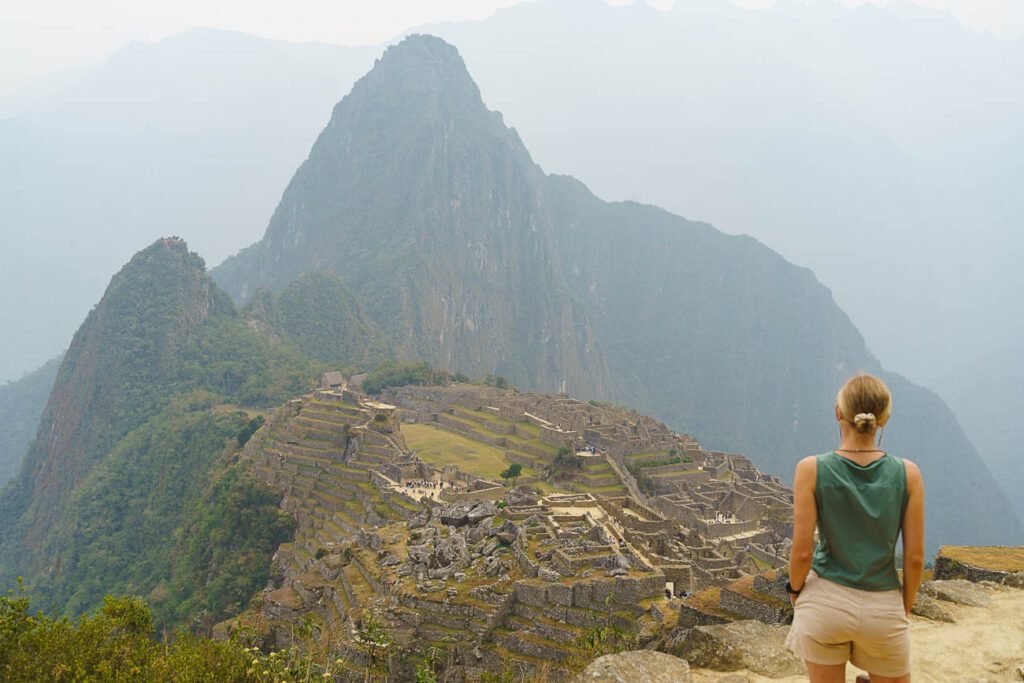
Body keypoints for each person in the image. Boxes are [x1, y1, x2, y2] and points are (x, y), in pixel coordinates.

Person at [785, 374, 925, 682]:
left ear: (838, 413)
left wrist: (795, 591)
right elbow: (914, 558)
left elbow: (802, 551)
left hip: (824, 605)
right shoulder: (909, 474)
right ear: (884, 419)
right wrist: (903, 608)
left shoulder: (811, 469)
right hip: (882, 605)